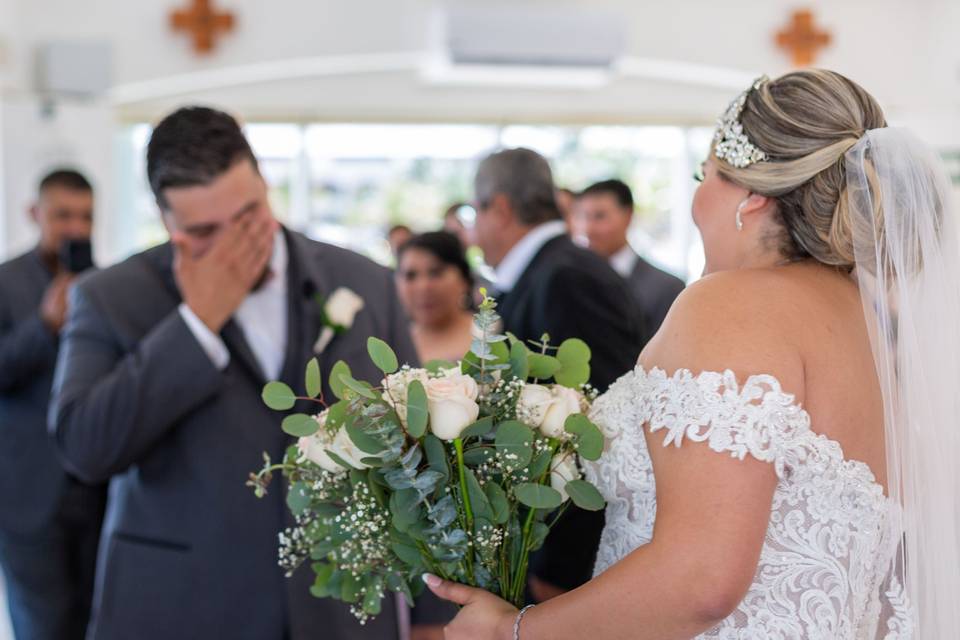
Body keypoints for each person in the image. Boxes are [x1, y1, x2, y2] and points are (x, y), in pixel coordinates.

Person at [425, 69, 960, 638]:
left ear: (750, 199)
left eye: (705, 175)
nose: (696, 197)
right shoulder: (863, 319)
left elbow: (702, 579)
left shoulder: (730, 306)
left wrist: (514, 630)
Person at [48, 107, 417, 640]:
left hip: (343, 608)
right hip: (185, 606)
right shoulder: (110, 297)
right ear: (165, 219)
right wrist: (196, 325)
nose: (235, 245)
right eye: (203, 230)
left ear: (265, 182)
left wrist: (433, 615)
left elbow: (415, 451)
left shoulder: (365, 281)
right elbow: (85, 447)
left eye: (248, 215)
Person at [471, 148, 644, 602]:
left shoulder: (566, 277)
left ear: (501, 209)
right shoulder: (548, 271)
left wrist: (562, 565)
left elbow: (600, 422)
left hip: (569, 557)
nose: (473, 230)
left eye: (476, 212)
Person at [0, 169, 106, 639]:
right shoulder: (5, 282)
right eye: (63, 215)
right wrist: (43, 326)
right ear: (34, 214)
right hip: (28, 497)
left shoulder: (109, 287)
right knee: (42, 627)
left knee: (98, 622)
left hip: (98, 489)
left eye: (85, 216)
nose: (75, 229)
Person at [577, 179, 685, 336]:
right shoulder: (573, 278)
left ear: (628, 216)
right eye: (584, 217)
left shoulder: (667, 288)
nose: (589, 229)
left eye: (599, 216)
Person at [395, 231, 475, 364]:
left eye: (435, 273)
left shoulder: (490, 335)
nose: (423, 287)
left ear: (464, 279)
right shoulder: (393, 342)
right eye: (410, 275)